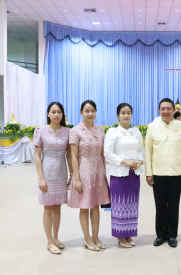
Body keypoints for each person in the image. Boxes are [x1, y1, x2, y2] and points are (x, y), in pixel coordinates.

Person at [145, 98, 181, 248]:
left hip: (176, 172)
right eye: (163, 109)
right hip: (158, 172)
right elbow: (148, 151)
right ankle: (160, 234)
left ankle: (172, 235)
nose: (165, 111)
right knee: (159, 205)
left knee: (173, 205)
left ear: (173, 110)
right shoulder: (152, 127)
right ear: (159, 110)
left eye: (168, 108)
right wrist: (148, 172)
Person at [69, 100, 110, 251]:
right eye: (87, 111)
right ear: (81, 112)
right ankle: (86, 238)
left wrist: (104, 174)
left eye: (93, 110)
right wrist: (76, 178)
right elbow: (73, 156)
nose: (90, 113)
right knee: (85, 206)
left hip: (98, 171)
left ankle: (95, 236)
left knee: (96, 206)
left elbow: (102, 154)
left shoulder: (100, 129)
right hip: (84, 170)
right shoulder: (75, 131)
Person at [33, 102, 72, 255]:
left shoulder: (67, 132)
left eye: (59, 112)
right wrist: (41, 178)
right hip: (47, 173)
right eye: (53, 112)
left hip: (61, 173)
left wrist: (72, 174)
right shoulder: (40, 131)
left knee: (58, 207)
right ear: (48, 114)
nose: (56, 115)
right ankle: (49, 241)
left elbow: (69, 154)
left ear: (63, 115)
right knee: (48, 208)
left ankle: (56, 238)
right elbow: (37, 155)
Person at [104, 103, 144, 248]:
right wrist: (124, 161)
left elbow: (141, 149)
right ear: (118, 115)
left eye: (128, 113)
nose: (126, 116)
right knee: (120, 204)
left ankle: (129, 234)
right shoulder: (113, 132)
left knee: (132, 204)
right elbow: (107, 152)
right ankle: (120, 236)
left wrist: (139, 161)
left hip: (134, 173)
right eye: (123, 113)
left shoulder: (136, 132)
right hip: (119, 173)